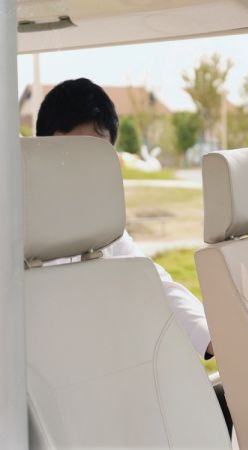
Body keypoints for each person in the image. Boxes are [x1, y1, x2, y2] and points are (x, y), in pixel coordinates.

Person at [35, 78, 213, 359]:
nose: (83, 168)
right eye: (70, 153)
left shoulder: (101, 225)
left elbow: (152, 282)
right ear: (40, 150)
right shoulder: (17, 227)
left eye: (95, 156)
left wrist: (214, 337)